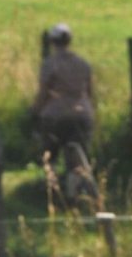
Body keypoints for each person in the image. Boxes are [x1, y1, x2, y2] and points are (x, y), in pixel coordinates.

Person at [31, 23, 97, 205]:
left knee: (50, 153)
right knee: (77, 156)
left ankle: (51, 192)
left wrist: (35, 111)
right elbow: (90, 93)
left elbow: (44, 92)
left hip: (55, 114)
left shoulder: (50, 64)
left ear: (52, 41)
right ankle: (73, 194)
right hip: (82, 114)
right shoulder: (83, 64)